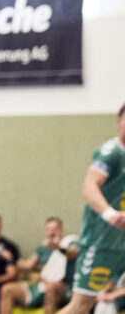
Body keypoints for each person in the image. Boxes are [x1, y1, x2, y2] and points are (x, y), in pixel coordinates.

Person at [57, 103, 125, 314]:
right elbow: (89, 187)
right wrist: (109, 214)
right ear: (118, 121)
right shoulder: (110, 153)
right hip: (100, 242)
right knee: (81, 306)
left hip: (121, 242)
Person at [0, 217, 77, 314]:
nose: (51, 232)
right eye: (48, 230)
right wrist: (11, 259)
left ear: (61, 230)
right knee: (7, 289)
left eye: (54, 229)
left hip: (63, 288)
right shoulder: (42, 249)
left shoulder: (69, 242)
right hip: (41, 286)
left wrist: (58, 247)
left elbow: (73, 254)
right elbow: (27, 265)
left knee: (50, 287)